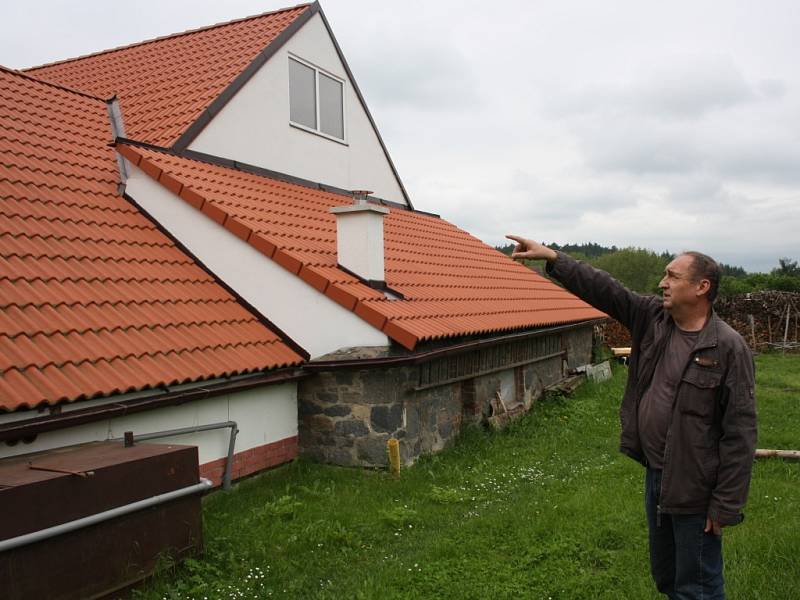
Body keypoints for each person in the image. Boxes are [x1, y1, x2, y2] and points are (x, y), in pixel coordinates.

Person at [506, 235, 757, 600]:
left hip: (696, 488)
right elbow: (606, 289)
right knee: (668, 578)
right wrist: (554, 259)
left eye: (672, 276)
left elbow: (741, 432)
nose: (662, 283)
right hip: (657, 476)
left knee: (698, 586)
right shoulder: (653, 319)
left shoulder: (728, 347)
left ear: (701, 287)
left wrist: (725, 505)